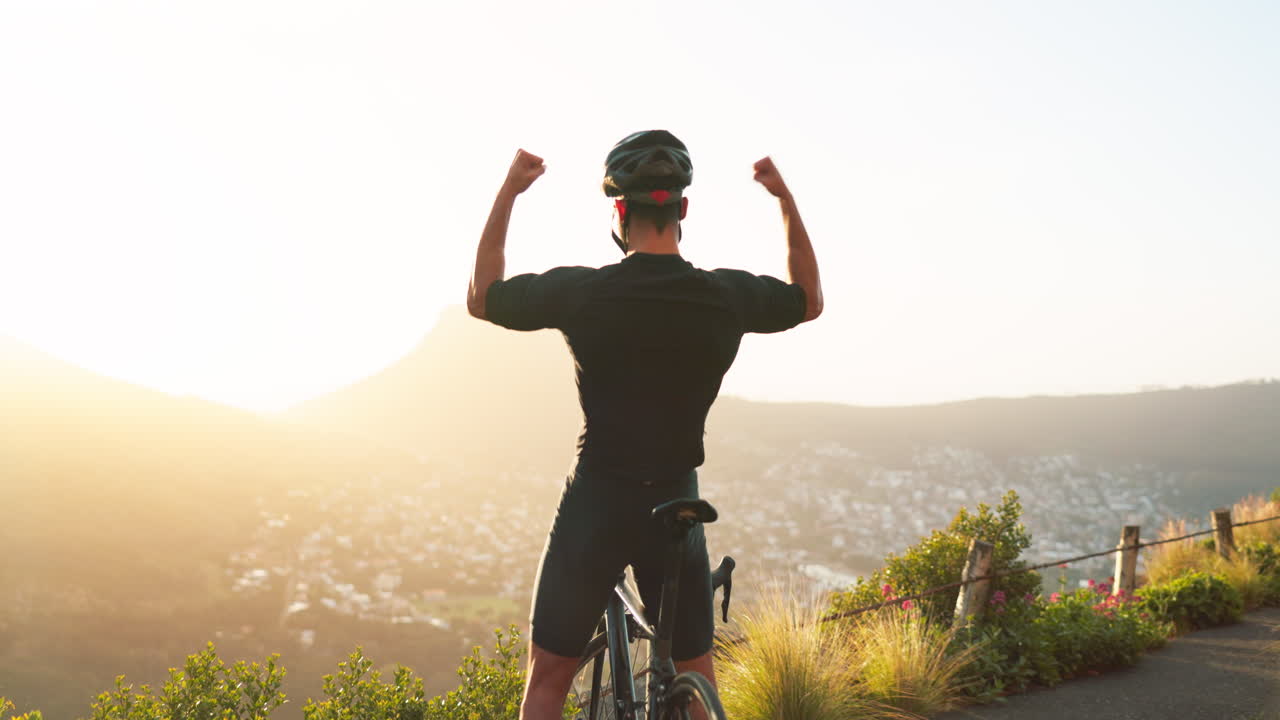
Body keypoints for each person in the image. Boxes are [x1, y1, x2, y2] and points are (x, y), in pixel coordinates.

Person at [466, 130, 823, 720]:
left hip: (600, 500)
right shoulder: (723, 296)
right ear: (682, 210)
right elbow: (808, 299)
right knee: (695, 672)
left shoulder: (586, 293)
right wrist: (783, 198)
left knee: (549, 677)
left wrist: (511, 188)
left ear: (619, 211)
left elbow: (483, 296)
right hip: (677, 497)